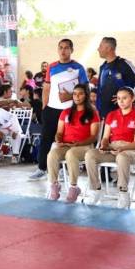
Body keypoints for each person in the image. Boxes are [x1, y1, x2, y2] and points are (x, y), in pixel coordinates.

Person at [28, 39, 89, 181]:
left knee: (65, 140)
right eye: (60, 48)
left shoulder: (78, 67)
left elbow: (85, 88)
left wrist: (74, 100)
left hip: (69, 111)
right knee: (46, 139)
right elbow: (47, 88)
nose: (63, 50)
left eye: (66, 48)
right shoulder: (52, 67)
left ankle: (63, 169)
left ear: (71, 50)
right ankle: (41, 168)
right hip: (52, 109)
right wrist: (44, 106)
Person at [84, 87, 135, 209]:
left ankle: (123, 193)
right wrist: (104, 145)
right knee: (90, 154)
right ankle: (95, 189)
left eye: (124, 98)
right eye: (118, 98)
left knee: (122, 156)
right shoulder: (111, 115)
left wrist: (122, 149)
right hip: (113, 149)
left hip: (130, 150)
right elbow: (106, 137)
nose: (121, 101)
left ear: (132, 98)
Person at [46, 83, 100, 203]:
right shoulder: (66, 112)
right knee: (52, 154)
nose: (77, 96)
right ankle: (54, 185)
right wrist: (58, 140)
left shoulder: (92, 113)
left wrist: (78, 144)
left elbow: (93, 137)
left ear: (86, 95)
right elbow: (59, 132)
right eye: (75, 94)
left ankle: (74, 187)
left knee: (72, 154)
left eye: (80, 94)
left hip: (84, 146)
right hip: (66, 145)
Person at [96, 37, 135, 117]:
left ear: (108, 48)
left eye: (100, 46)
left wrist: (131, 94)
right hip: (105, 114)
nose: (98, 49)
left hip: (122, 114)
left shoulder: (124, 64)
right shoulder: (103, 67)